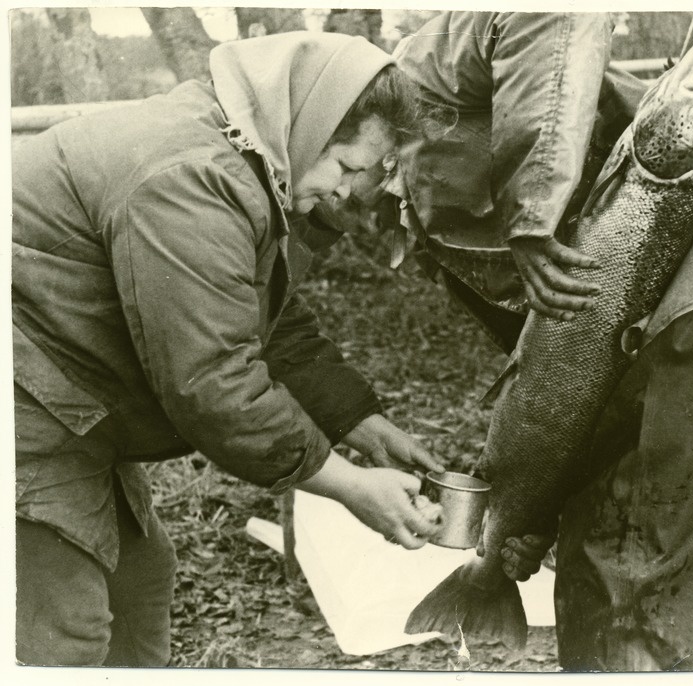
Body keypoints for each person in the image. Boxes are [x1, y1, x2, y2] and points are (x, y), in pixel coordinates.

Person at [320, 12, 693, 671]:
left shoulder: (422, 69)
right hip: (621, 321)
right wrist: (530, 502)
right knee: (595, 523)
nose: (324, 193)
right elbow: (552, 366)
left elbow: (554, 12)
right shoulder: (409, 202)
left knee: (657, 551)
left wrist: (532, 209)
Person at [12, 32, 449, 667]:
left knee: (140, 587)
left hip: (69, 393)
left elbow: (264, 321)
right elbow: (215, 383)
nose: (349, 194)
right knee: (61, 625)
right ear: (307, 120)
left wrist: (360, 422)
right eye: (348, 167)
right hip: (26, 398)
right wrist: (349, 485)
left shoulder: (245, 159)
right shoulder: (191, 176)